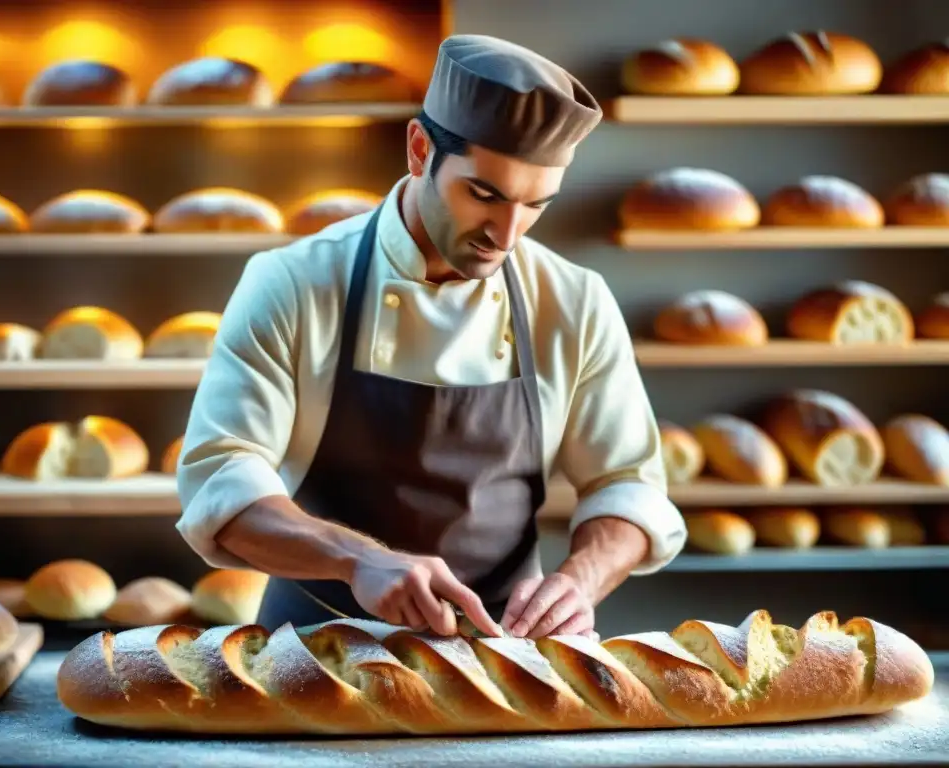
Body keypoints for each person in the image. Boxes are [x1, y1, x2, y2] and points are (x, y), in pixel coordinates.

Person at [175, 34, 687, 640]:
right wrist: (357, 559)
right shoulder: (291, 282)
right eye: (484, 195)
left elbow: (626, 482)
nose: (507, 233)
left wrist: (581, 579)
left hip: (506, 656)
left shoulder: (574, 300)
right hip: (314, 649)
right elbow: (221, 480)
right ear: (420, 150)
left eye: (535, 206)